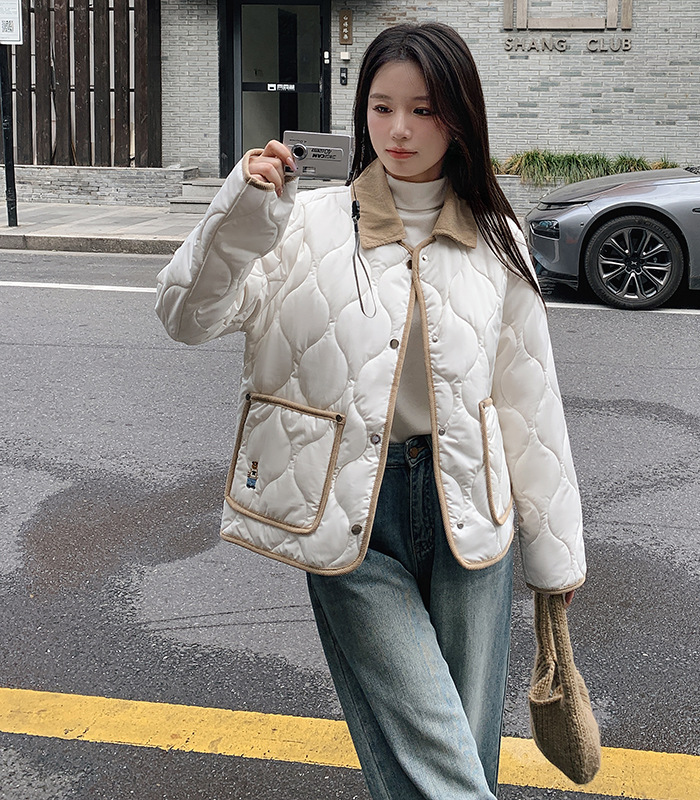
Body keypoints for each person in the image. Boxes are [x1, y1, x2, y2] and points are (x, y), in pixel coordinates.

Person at [155, 22, 585, 800]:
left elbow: (529, 403)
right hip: (345, 501)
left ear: (460, 117)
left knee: (462, 743)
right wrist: (241, 214)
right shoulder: (304, 223)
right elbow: (186, 318)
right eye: (382, 108)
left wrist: (556, 559)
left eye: (423, 109)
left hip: (469, 505)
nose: (398, 130)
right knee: (435, 750)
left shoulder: (497, 239)